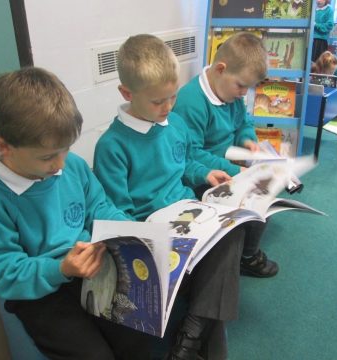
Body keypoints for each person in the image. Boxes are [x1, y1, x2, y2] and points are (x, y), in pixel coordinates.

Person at [94, 34, 273, 360]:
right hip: (151, 230)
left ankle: (191, 330)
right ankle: (196, 334)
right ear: (127, 93)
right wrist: (148, 236)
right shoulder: (112, 146)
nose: (168, 108)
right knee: (217, 283)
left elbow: (186, 159)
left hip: (188, 211)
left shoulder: (172, 122)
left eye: (173, 97)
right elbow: (115, 210)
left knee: (231, 234)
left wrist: (204, 175)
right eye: (158, 101)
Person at [0, 67, 152, 360]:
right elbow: (4, 275)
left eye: (65, 149)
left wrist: (136, 232)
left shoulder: (73, 166)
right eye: (47, 157)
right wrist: (61, 269)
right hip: (37, 292)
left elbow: (99, 208)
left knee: (139, 329)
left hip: (88, 271)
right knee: (93, 355)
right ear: (4, 148)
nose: (60, 164)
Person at [172, 31, 278, 279]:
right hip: (200, 177)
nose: (243, 93)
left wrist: (249, 141)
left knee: (266, 192)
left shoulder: (230, 92)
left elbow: (243, 123)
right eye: (241, 86)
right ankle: (247, 258)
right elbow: (192, 154)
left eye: (248, 88)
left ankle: (245, 250)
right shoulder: (191, 102)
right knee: (256, 201)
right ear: (220, 69)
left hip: (227, 166)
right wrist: (236, 172)